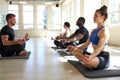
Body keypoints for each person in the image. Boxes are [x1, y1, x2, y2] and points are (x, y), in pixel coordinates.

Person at [68, 5, 110, 70]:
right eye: (94, 16)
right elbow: (86, 44)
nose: (93, 17)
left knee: (88, 61)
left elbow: (99, 48)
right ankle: (87, 61)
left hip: (103, 57)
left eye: (96, 16)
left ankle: (88, 62)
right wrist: (75, 47)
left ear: (102, 17)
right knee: (74, 51)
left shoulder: (104, 31)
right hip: (95, 55)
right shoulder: (93, 30)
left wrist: (90, 56)